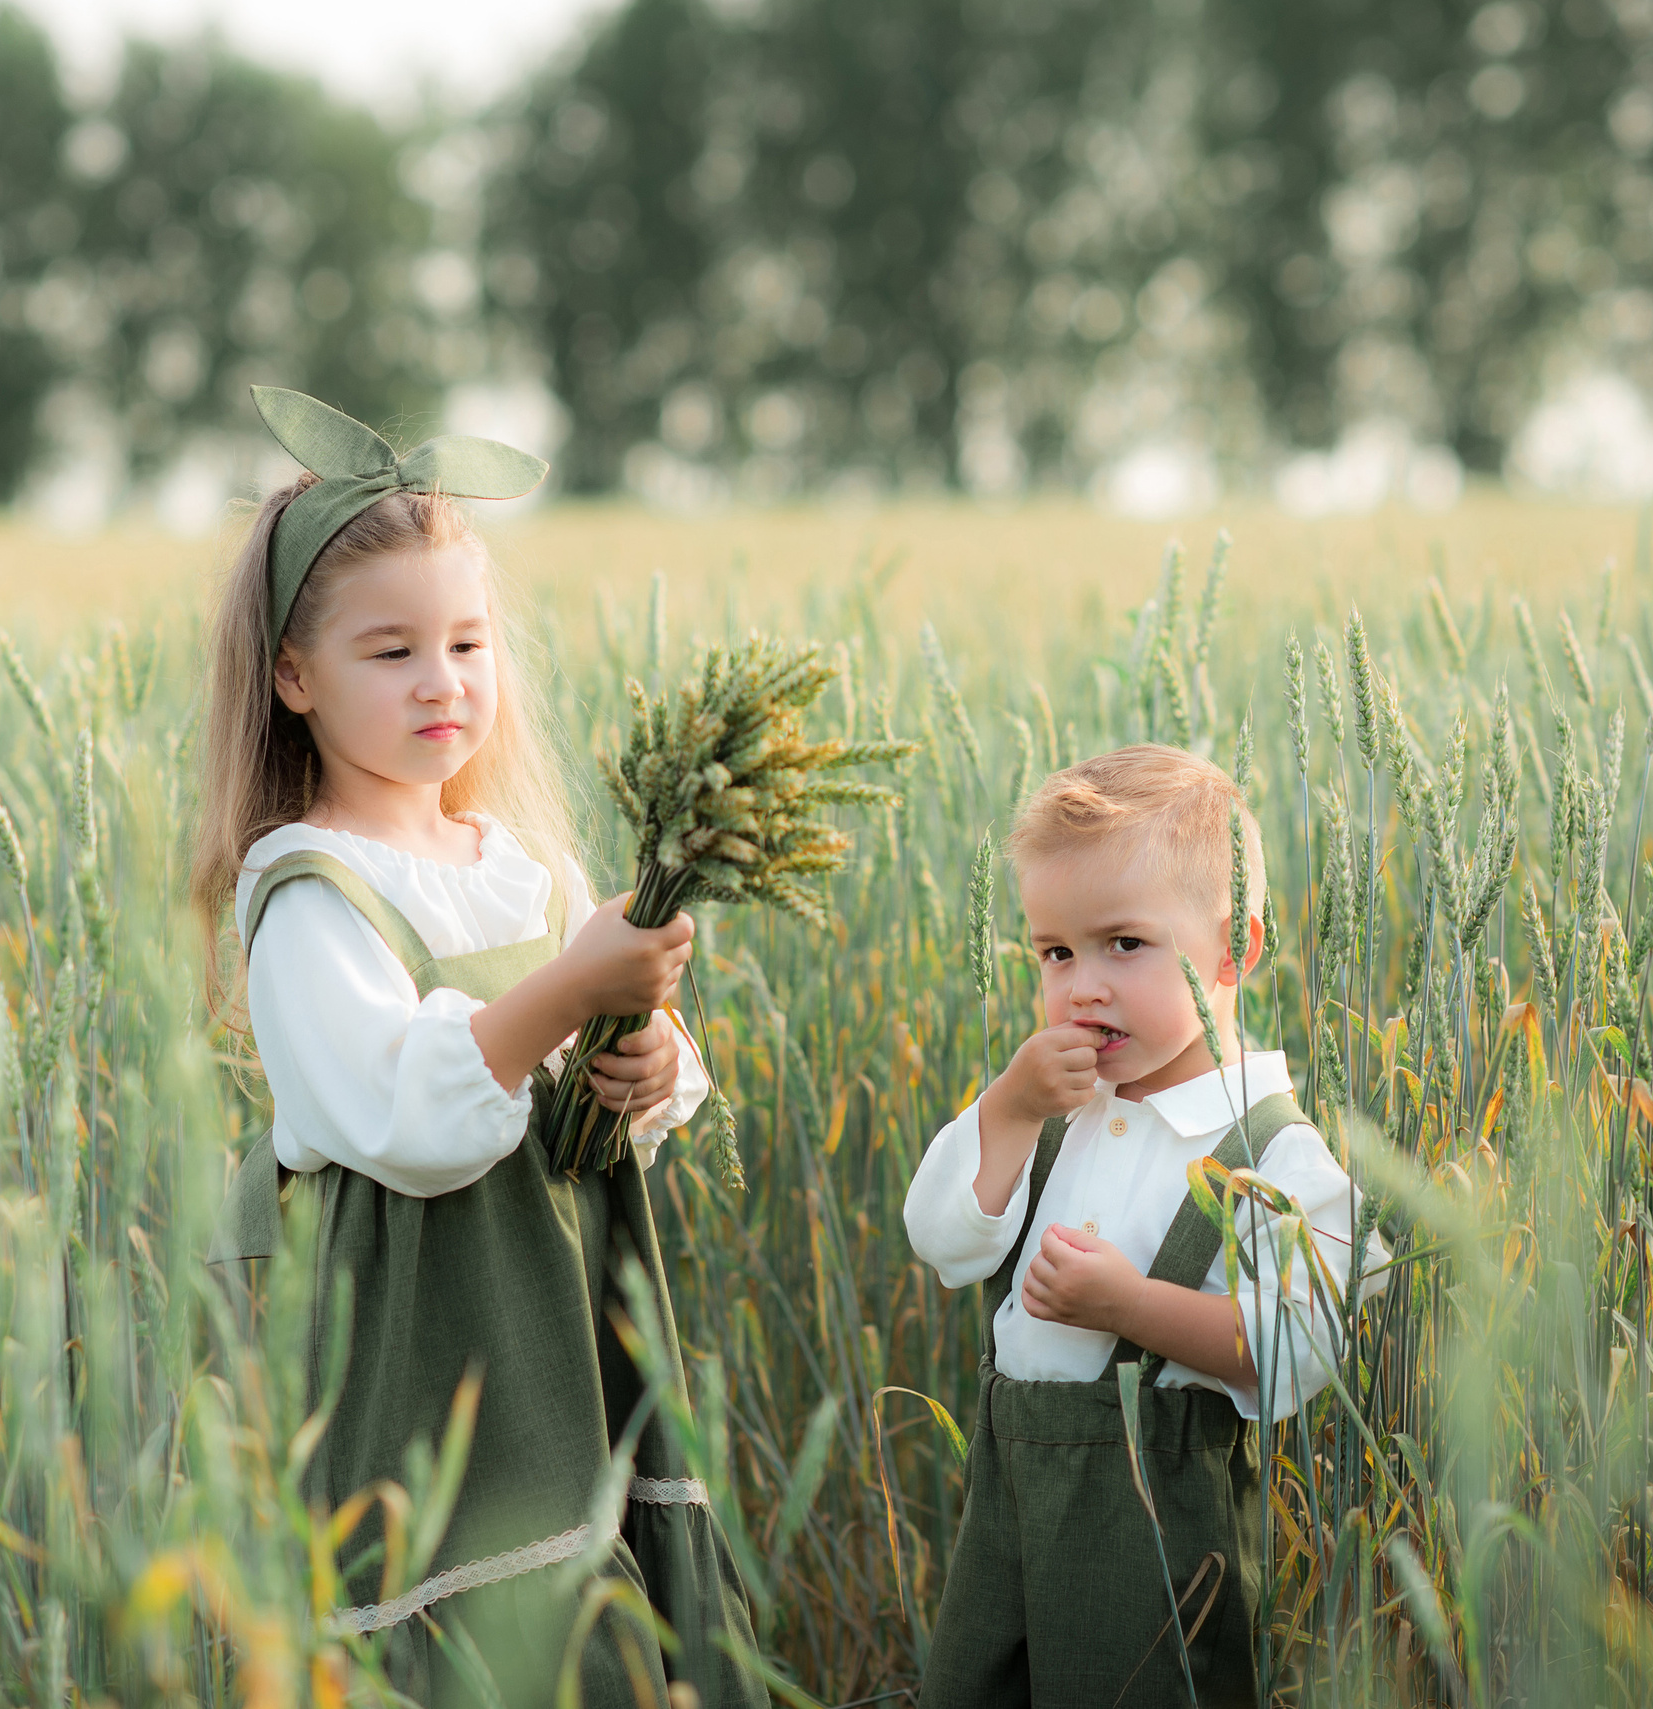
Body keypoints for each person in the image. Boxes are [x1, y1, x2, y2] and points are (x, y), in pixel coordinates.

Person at [190, 387, 764, 1707]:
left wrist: (647, 1055)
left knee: (599, 1583)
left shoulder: (515, 864)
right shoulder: (310, 891)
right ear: (294, 677)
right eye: (391, 650)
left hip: (568, 1300)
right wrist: (571, 988)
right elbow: (409, 1116)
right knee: (483, 1604)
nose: (442, 680)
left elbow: (593, 1070)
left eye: (467, 641)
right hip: (433, 1330)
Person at [904, 745, 1388, 1708]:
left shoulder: (1270, 1153)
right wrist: (1010, 1105)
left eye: (1124, 943)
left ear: (1233, 949)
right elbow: (943, 1240)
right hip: (1006, 1527)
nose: (1083, 985)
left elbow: (1302, 1343)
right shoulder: (1051, 1115)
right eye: (1056, 953)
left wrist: (1129, 1305)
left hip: (1155, 1554)